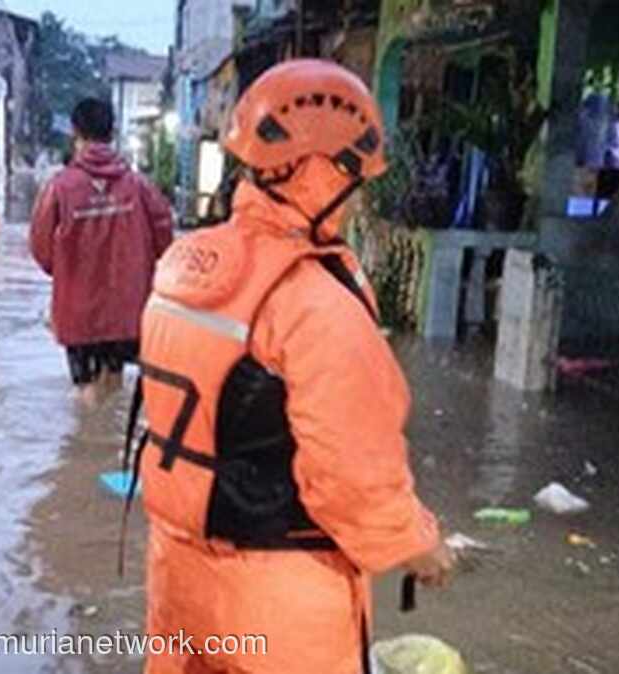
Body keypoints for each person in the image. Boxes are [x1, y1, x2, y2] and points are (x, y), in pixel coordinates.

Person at [128, 60, 455, 674]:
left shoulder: (184, 266)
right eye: (355, 177)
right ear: (322, 173)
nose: (359, 200)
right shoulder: (315, 304)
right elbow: (353, 475)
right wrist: (418, 544)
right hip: (278, 598)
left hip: (177, 572)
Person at [30, 98, 175, 406]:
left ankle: (86, 449)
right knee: (114, 382)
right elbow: (165, 236)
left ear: (75, 132)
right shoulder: (138, 185)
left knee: (87, 394)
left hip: (78, 312)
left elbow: (41, 249)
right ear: (112, 132)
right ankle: (109, 450)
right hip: (127, 308)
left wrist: (68, 273)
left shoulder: (59, 187)